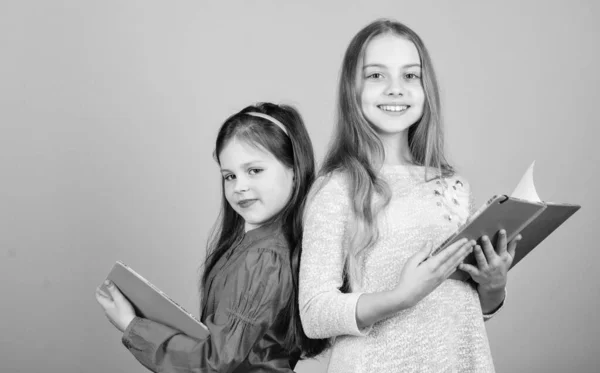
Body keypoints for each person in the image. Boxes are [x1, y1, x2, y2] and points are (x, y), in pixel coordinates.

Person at [298, 19, 521, 372]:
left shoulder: (454, 187)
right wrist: (400, 298)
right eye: (376, 75)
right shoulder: (337, 187)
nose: (395, 89)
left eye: (410, 76)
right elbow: (314, 313)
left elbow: (462, 308)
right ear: (351, 90)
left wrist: (494, 286)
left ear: (425, 88)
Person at [96, 102, 327, 372]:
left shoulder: (264, 256)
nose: (239, 187)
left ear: (294, 172)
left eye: (255, 170)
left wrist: (131, 325)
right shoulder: (258, 246)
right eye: (229, 176)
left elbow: (214, 362)